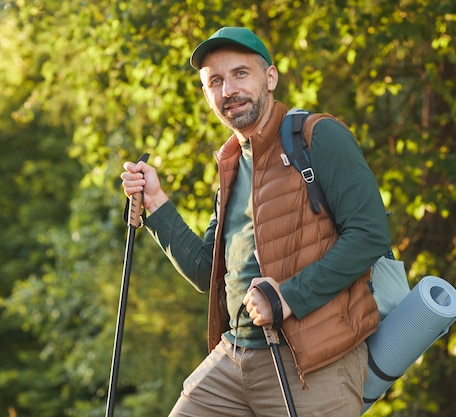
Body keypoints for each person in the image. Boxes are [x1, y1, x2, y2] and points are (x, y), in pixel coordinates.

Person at [120, 26, 391, 417]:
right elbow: (204, 271)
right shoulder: (232, 164)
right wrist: (156, 202)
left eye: (240, 73)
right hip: (236, 356)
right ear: (207, 94)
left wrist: (289, 296)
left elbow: (369, 236)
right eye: (215, 81)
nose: (228, 89)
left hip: (313, 364)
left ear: (270, 77)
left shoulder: (319, 136)